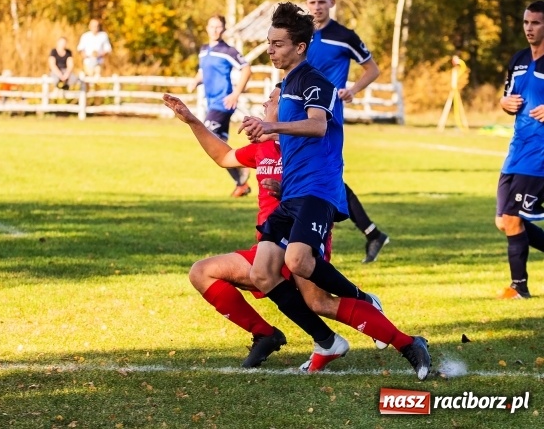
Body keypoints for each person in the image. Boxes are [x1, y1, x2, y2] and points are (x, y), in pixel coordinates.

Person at [239, 1, 431, 379]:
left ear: (300, 47)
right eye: (269, 43)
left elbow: (318, 126)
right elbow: (290, 136)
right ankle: (326, 341)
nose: (270, 50)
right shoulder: (285, 84)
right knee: (263, 273)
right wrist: (266, 130)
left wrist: (271, 126)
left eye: (277, 44)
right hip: (292, 192)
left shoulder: (316, 81)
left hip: (319, 189)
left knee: (298, 262)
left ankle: (378, 314)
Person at [164, 88, 411, 373]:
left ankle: (388, 330)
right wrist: (193, 121)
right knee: (202, 272)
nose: (265, 102)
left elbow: (332, 197)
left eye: (272, 99)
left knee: (319, 303)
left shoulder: (309, 149)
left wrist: (290, 193)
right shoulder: (263, 148)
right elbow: (224, 157)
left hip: (303, 242)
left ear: (290, 109)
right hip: (269, 246)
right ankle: (267, 334)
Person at [305, 0, 390, 263]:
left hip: (328, 116)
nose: (317, 7)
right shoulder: (301, 34)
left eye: (322, 2)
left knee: (324, 174)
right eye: (312, 2)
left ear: (331, 3)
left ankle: (314, 241)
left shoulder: (345, 36)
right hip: (301, 114)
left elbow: (372, 69)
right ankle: (371, 233)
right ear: (306, 5)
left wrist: (352, 90)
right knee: (317, 174)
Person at [496, 0, 544, 299]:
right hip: (516, 151)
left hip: (539, 155)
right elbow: (506, 97)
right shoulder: (519, 59)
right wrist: (504, 103)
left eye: (535, 22)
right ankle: (519, 286)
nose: (529, 28)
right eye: (526, 22)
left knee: (513, 219)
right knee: (504, 221)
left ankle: (519, 287)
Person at [187, 15, 253, 197]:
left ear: (223, 29)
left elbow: (247, 69)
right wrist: (195, 81)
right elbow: (203, 72)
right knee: (218, 147)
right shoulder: (203, 50)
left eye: (218, 27)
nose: (215, 30)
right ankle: (241, 183)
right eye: (212, 26)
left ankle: (243, 164)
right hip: (211, 104)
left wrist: (236, 93)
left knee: (207, 134)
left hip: (223, 103)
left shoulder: (228, 51)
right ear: (207, 28)